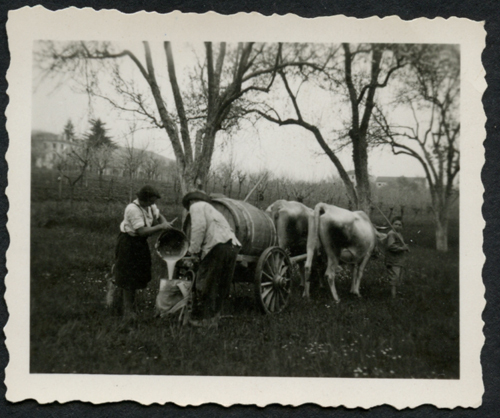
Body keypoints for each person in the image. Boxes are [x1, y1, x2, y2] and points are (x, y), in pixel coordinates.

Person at [107, 185, 171, 317]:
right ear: (144, 199)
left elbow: (159, 216)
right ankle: (128, 310)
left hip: (140, 244)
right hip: (128, 243)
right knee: (127, 277)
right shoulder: (132, 209)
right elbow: (141, 231)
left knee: (137, 275)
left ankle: (128, 304)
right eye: (151, 201)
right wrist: (161, 227)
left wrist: (166, 224)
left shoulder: (150, 206)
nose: (153, 203)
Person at [182, 191, 241, 328]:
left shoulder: (196, 207)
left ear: (191, 202)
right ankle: (214, 319)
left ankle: (203, 320)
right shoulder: (213, 210)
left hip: (217, 246)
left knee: (206, 282)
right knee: (221, 284)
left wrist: (193, 252)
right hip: (232, 246)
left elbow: (198, 228)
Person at [385, 216, 410, 298]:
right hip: (393, 260)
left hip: (399, 259)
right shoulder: (392, 234)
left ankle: (395, 294)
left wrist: (404, 247)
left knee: (399, 277)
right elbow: (391, 246)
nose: (398, 226)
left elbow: (399, 244)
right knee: (394, 277)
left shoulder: (398, 234)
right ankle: (393, 296)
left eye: (400, 225)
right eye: (395, 224)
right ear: (392, 224)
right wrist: (402, 248)